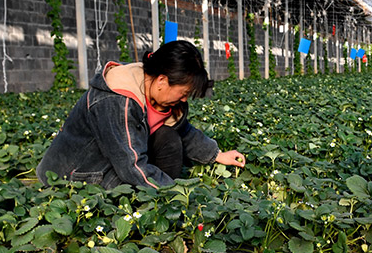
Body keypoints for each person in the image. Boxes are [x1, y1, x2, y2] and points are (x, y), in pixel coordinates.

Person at [37, 40, 246, 189]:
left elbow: (184, 131)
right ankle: (158, 203)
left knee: (170, 138)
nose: (184, 100)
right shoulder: (117, 100)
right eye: (183, 93)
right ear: (163, 80)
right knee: (132, 192)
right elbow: (130, 166)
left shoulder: (159, 94)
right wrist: (175, 193)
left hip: (116, 164)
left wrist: (217, 155)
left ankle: (158, 201)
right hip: (76, 175)